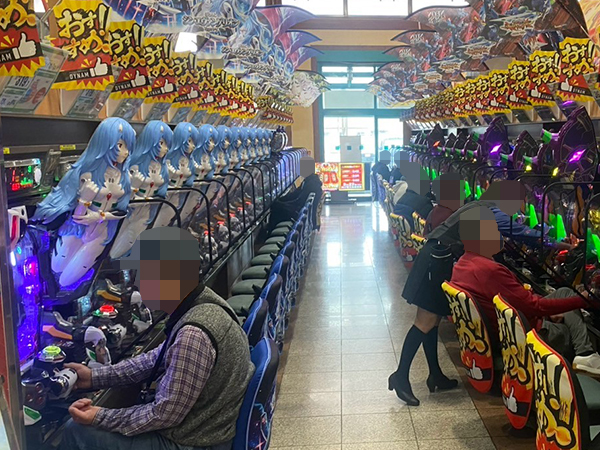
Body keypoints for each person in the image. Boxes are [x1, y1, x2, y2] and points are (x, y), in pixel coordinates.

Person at [61, 227, 255, 450]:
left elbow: (163, 414)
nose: (138, 284)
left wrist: (99, 416)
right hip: (205, 429)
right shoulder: (203, 304)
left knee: (76, 431)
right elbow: (153, 359)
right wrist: (95, 377)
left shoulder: (194, 333)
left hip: (194, 442)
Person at [451, 206, 600, 375]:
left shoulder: (463, 264)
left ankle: (584, 355)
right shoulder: (488, 270)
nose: (501, 236)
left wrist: (550, 310)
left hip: (514, 325)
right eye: (495, 231)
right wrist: (584, 300)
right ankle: (585, 354)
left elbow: (523, 301)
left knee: (565, 292)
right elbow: (534, 306)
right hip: (525, 336)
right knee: (576, 330)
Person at [388, 174, 467, 407]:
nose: (463, 196)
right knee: (424, 322)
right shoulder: (449, 214)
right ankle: (400, 376)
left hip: (433, 265)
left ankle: (435, 374)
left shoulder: (439, 211)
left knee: (432, 323)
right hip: (434, 267)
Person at [268, 156, 323, 232]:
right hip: (300, 209)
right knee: (277, 205)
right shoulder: (310, 180)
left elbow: (299, 201)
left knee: (276, 209)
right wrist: (281, 200)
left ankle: (270, 233)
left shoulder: (311, 184)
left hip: (299, 212)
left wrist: (280, 203)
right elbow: (295, 194)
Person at [393, 161, 434, 229]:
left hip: (407, 234)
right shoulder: (424, 203)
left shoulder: (402, 198)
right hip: (420, 233)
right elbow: (432, 223)